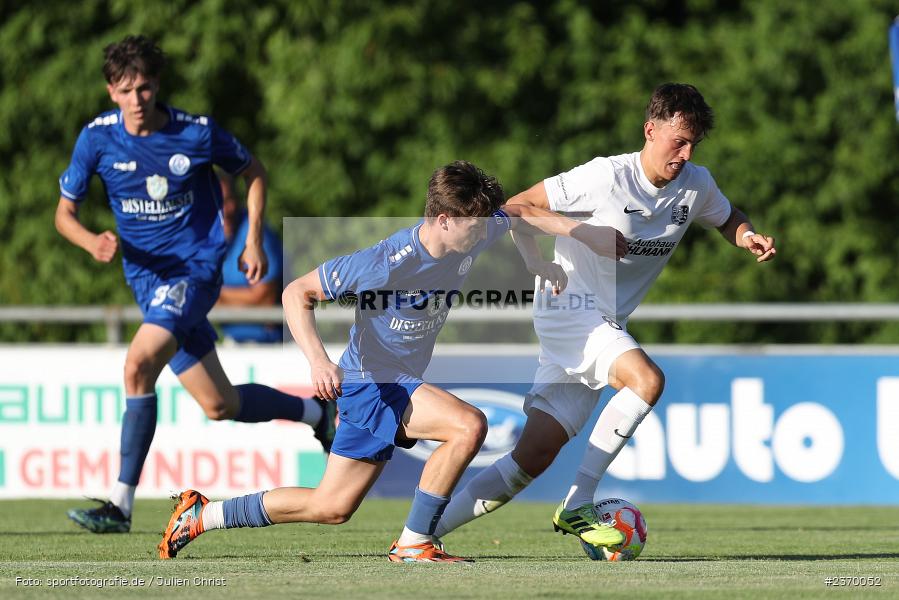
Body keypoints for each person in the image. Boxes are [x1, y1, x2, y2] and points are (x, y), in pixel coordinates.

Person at [156, 160, 627, 562]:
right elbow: (295, 292)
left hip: (390, 383)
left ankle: (204, 515)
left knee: (331, 506)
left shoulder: (473, 230)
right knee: (468, 426)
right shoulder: (389, 259)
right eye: (475, 223)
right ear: (443, 219)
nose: (486, 228)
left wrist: (542, 258)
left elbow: (522, 215)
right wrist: (319, 363)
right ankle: (415, 543)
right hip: (371, 382)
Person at [433, 83, 777, 551]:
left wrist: (746, 236)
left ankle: (419, 536)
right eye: (677, 141)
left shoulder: (696, 183)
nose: (685, 152)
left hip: (605, 323)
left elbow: (725, 215)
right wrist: (570, 240)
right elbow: (514, 208)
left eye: (693, 143)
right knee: (647, 381)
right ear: (649, 130)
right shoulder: (607, 176)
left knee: (530, 457)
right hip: (570, 309)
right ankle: (579, 502)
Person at [55, 35, 335, 534]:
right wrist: (87, 241)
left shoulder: (196, 133)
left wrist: (251, 241)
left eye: (144, 88)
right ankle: (316, 414)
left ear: (157, 86)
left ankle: (120, 504)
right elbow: (64, 214)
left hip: (195, 271)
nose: (136, 99)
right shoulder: (96, 138)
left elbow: (253, 172)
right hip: (147, 283)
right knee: (219, 404)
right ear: (110, 91)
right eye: (125, 90)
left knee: (137, 364)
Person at [216, 171, 284, 343]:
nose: (228, 209)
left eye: (230, 200)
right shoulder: (205, 235)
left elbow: (264, 299)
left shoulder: (256, 234)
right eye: (220, 203)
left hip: (271, 343)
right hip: (231, 340)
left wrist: (217, 294)